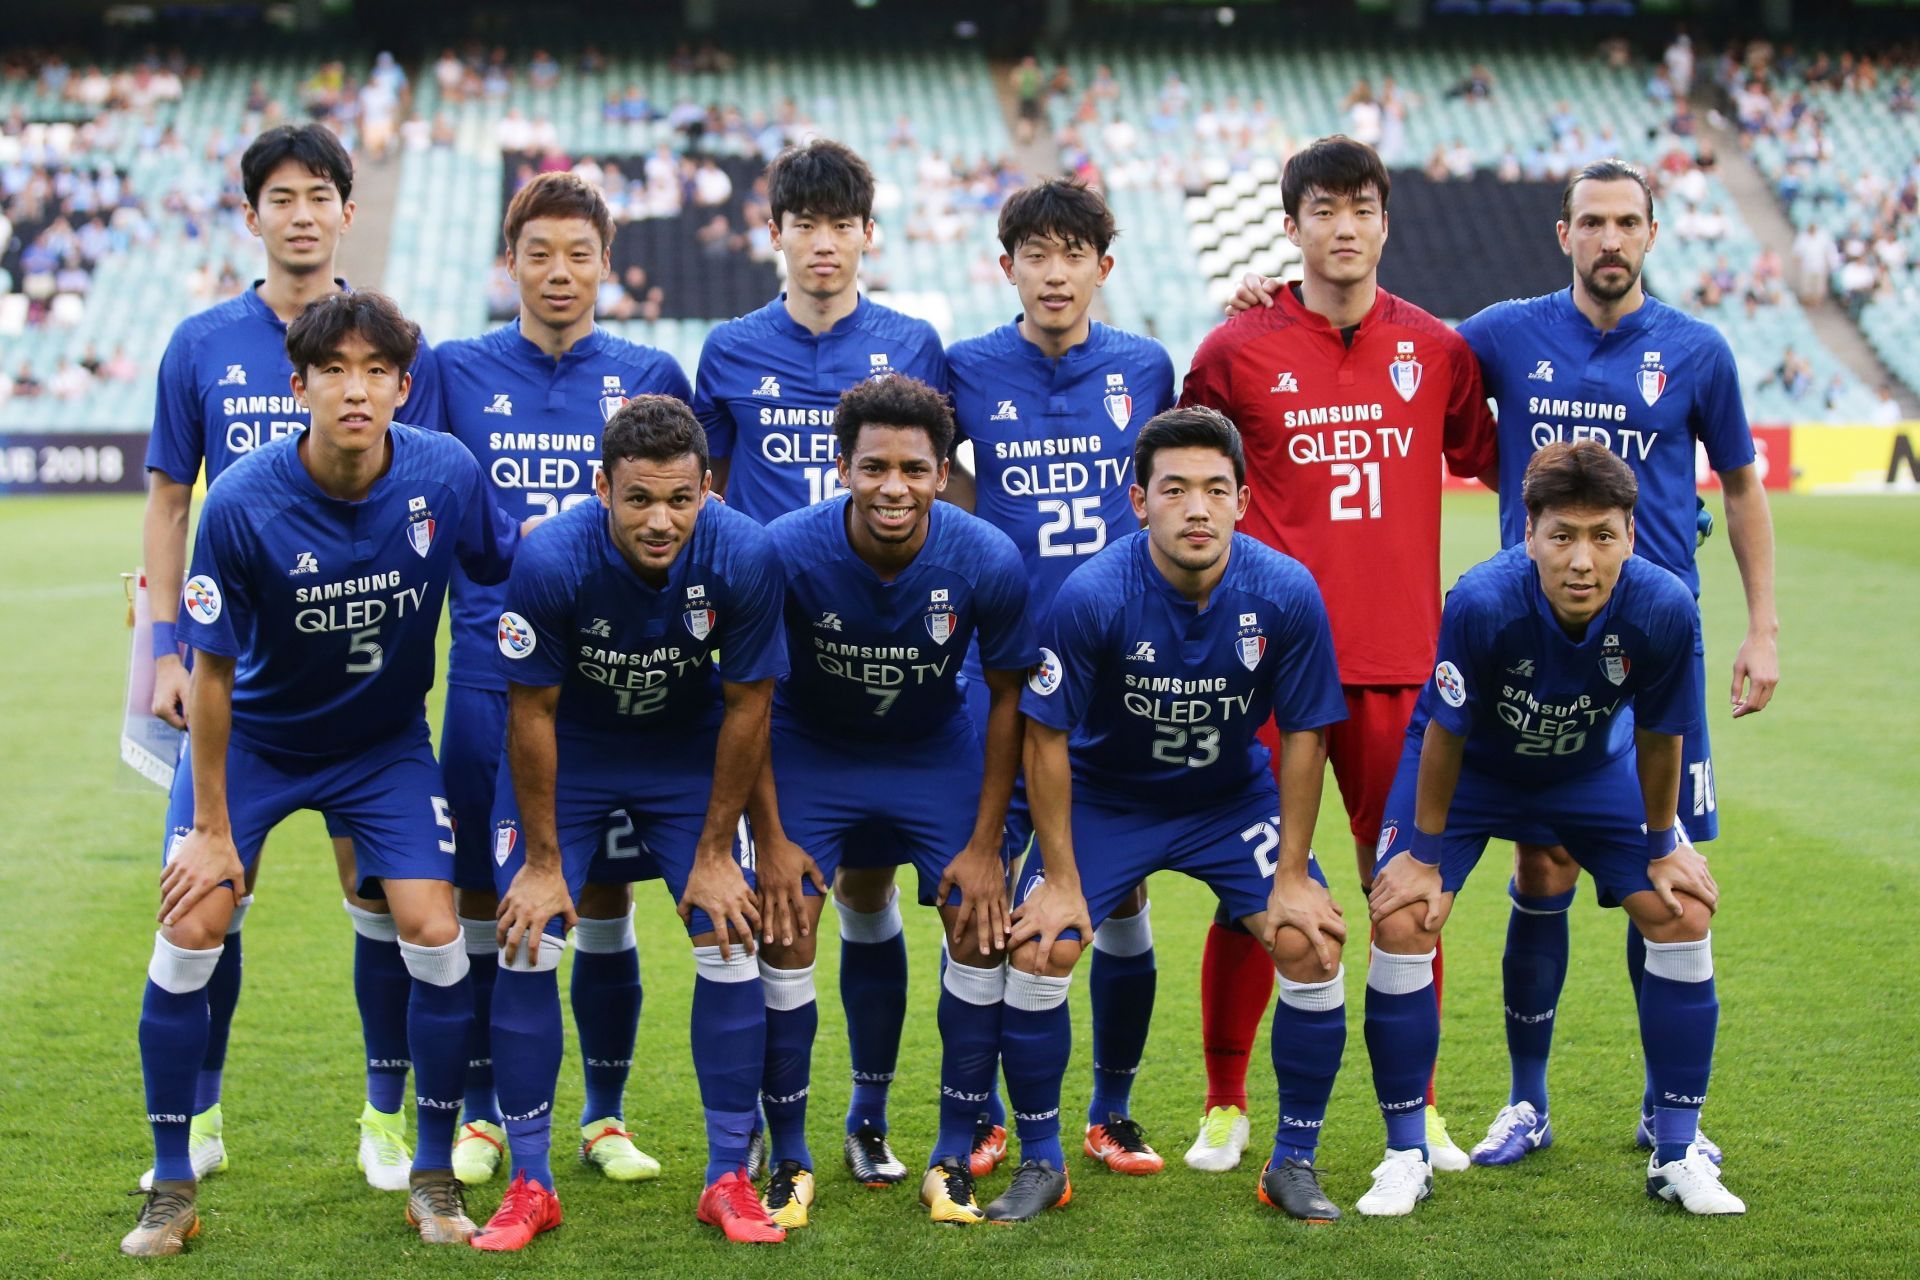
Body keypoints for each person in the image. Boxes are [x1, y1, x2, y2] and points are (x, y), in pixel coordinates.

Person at [121, 290, 518, 1256]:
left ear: (402, 389)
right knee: (192, 926)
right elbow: (209, 677)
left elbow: (507, 566)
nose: (355, 389)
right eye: (333, 371)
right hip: (256, 742)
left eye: (376, 371)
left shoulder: (446, 473)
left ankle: (432, 1175)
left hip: (382, 748)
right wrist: (214, 829)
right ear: (297, 386)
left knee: (432, 930)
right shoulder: (246, 501)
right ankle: (172, 1183)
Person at [138, 122, 445, 1196]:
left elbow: (432, 494)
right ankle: (200, 1113)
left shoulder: (397, 341)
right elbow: (173, 497)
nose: (302, 212)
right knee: (214, 885)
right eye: (282, 196)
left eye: (321, 193)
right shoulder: (199, 343)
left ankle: (384, 1118)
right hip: (242, 681)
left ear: (348, 212)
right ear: (252, 215)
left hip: (366, 693)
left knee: (380, 897)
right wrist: (164, 649)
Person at [1181, 136, 1495, 1175]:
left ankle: (1423, 1105)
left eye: (1361, 206)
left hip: (1404, 665)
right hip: (1272, 673)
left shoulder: (1436, 349)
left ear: (1385, 222)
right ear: (1293, 225)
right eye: (1323, 208)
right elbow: (1182, 477)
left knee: (1408, 891)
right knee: (1256, 888)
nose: (1344, 225)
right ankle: (1227, 1101)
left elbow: (1500, 458)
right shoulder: (1235, 350)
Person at [1454, 158, 1777, 1167]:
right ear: (1563, 235)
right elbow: (1399, 358)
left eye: (1625, 222)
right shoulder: (1506, 331)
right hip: (1536, 650)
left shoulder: (1697, 349)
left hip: (1654, 649)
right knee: (1541, 860)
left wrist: (1763, 626)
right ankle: (1527, 1100)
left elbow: (1741, 486)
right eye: (1589, 221)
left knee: (1664, 877)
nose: (1607, 238)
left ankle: (1662, 1107)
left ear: (1652, 232)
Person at [1359, 441, 1742, 1218]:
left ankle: (1676, 1152)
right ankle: (1404, 1154)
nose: (1580, 560)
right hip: (1473, 777)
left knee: (1682, 913)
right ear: (1527, 532)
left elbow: (1662, 738)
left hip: (1587, 775)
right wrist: (1424, 856)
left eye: (1602, 536)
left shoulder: (1664, 607)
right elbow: (1445, 733)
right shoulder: (1482, 600)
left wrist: (1664, 843)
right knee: (1402, 919)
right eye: (1561, 535)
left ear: (1631, 537)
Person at [1009, 406, 1350, 1223]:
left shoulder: (1283, 590)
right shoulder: (1093, 594)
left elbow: (1307, 732)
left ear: (1241, 500)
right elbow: (1046, 736)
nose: (1196, 508)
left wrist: (1295, 875)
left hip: (1229, 802)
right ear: (1139, 502)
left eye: (1215, 490)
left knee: (1310, 940)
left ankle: (1293, 1161)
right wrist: (1058, 878)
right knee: (1039, 944)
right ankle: (1042, 1159)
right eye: (1175, 490)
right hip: (1109, 798)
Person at [474, 396, 791, 1249]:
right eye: (639, 499)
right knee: (528, 934)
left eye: (680, 500)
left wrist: (720, 850)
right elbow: (531, 712)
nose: (660, 521)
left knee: (729, 932)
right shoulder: (551, 558)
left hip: (682, 752)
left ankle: (727, 1174)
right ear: (602, 487)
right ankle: (532, 1182)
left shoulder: (746, 553)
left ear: (708, 489)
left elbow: (749, 704)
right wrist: (542, 862)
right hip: (573, 749)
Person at [691, 138, 950, 1180]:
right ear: (777, 236)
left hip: (880, 654)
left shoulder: (914, 342)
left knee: (871, 893)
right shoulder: (727, 348)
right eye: (806, 225)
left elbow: (943, 487)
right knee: (775, 903)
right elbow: (704, 494)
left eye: (843, 225)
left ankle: (869, 1112)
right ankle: (766, 1120)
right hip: (767, 662)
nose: (825, 243)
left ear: (868, 236)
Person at [432, 171, 691, 1189]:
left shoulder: (651, 367)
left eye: (579, 253)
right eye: (539, 252)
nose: (558, 272)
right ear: (510, 260)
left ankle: (606, 1111)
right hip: (489, 676)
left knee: (608, 902)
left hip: (608, 686)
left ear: (607, 264)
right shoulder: (454, 368)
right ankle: (492, 1115)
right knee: (494, 900)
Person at [751, 375, 1035, 1227]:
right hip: (814, 749)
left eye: (914, 469)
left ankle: (949, 1152)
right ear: (841, 468)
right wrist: (766, 835)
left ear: (942, 473)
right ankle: (789, 1153)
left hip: (930, 748)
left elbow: (1010, 700)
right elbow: (749, 695)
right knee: (786, 915)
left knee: (978, 921)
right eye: (874, 467)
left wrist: (988, 847)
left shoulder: (984, 556)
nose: (893, 488)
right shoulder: (784, 550)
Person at [947, 178, 1176, 1177]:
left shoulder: (1146, 366)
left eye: (1071, 253)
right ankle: (985, 1112)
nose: (1053, 271)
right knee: (984, 898)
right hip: (997, 678)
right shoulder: (965, 366)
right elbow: (924, 462)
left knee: (1118, 902)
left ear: (1102, 268)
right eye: (1034, 253)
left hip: (1116, 678)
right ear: (1008, 268)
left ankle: (1112, 1108)